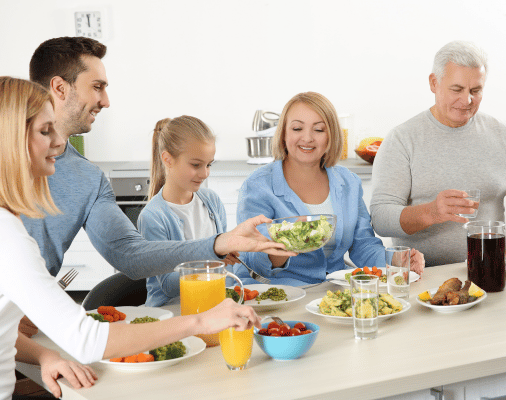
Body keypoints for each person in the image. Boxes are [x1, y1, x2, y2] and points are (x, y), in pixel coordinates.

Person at [0, 77, 262, 400]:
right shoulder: (8, 236)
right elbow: (86, 339)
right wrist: (202, 321)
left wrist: (44, 355)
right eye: (45, 131)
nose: (58, 143)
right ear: (10, 138)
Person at [19, 37, 292, 335]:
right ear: (60, 88)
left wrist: (218, 244)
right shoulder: (9, 154)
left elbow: (131, 257)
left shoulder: (88, 178)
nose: (106, 100)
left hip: (25, 327)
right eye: (97, 87)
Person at [370, 40, 506, 267]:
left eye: (476, 90)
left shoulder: (505, 135)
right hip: (424, 277)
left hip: (490, 270)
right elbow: (381, 218)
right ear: (434, 82)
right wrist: (432, 212)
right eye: (457, 89)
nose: (467, 100)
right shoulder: (401, 140)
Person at [235, 92, 424, 286]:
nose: (307, 138)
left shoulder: (348, 182)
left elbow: (363, 245)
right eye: (297, 128)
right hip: (275, 293)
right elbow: (251, 260)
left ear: (330, 136)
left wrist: (396, 260)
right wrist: (285, 242)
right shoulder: (258, 186)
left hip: (331, 292)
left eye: (318, 130)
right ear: (283, 133)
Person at [138, 116, 240, 306]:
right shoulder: (153, 217)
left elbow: (225, 266)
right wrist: (215, 260)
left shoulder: (212, 202)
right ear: (168, 160)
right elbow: (168, 285)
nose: (205, 173)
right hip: (172, 311)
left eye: (209, 164)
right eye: (196, 165)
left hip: (211, 305)